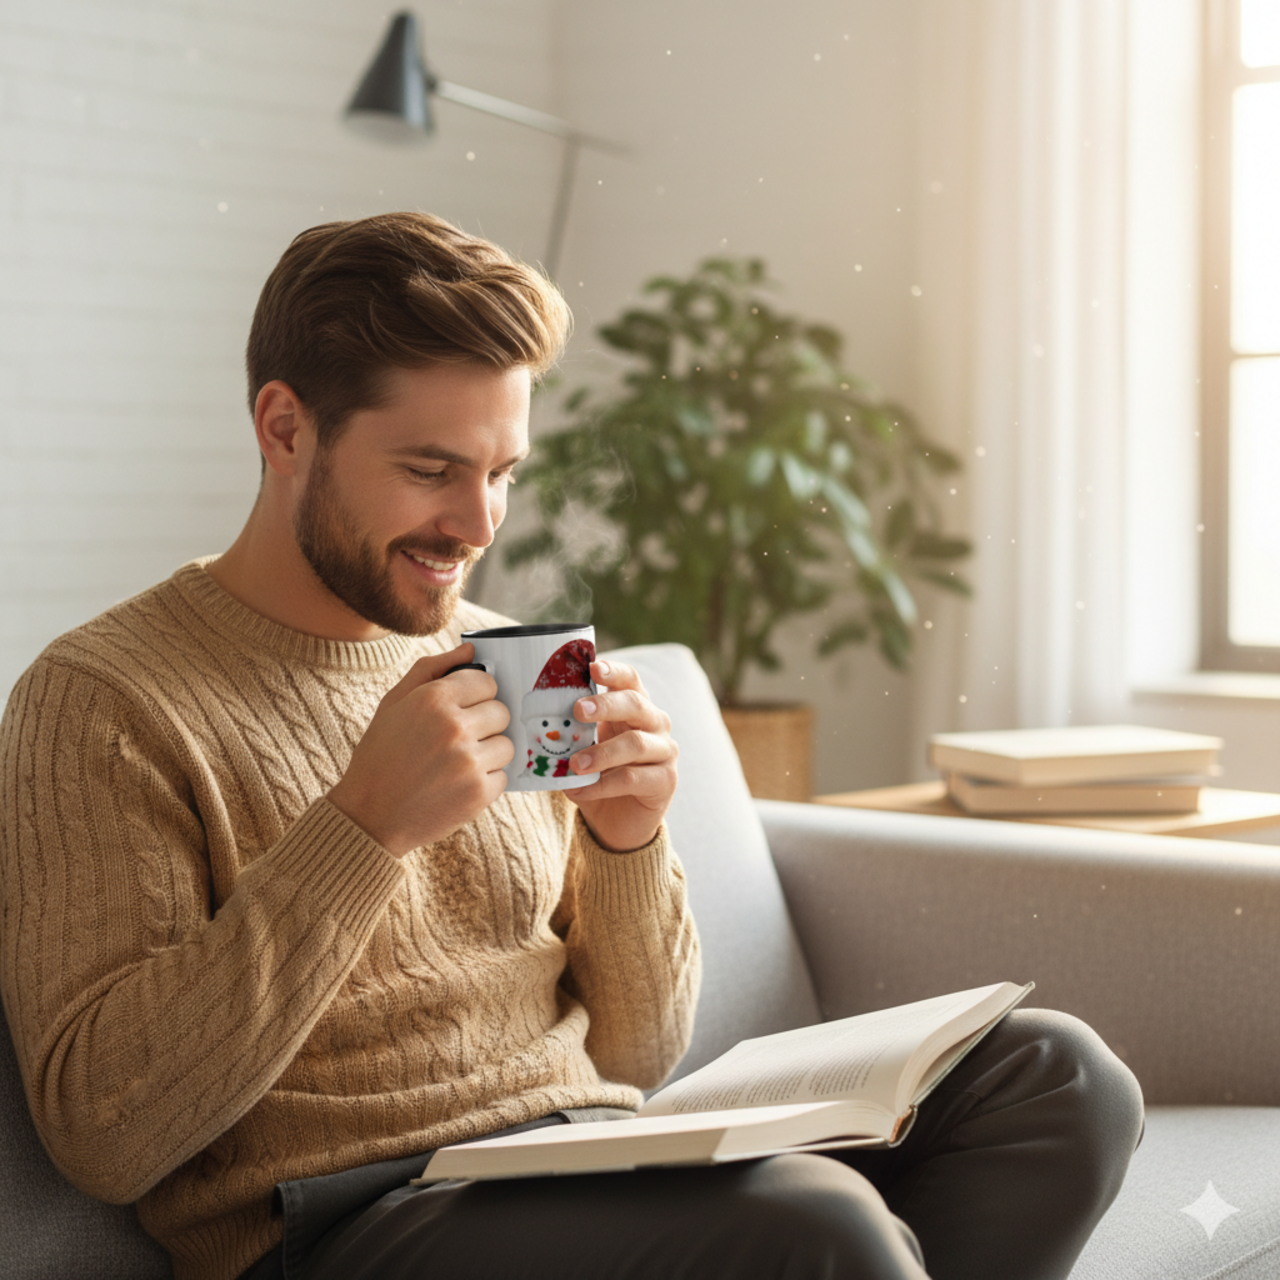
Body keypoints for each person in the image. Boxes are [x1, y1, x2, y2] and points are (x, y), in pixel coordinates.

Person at [0, 211, 1143, 1280]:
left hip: (582, 1149)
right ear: (285, 425)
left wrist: (628, 836)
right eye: (429, 468)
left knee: (1055, 1077)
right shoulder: (104, 697)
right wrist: (363, 828)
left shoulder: (508, 659)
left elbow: (638, 1056)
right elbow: (108, 1128)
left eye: (502, 472)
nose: (479, 523)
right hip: (349, 1220)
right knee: (818, 1223)